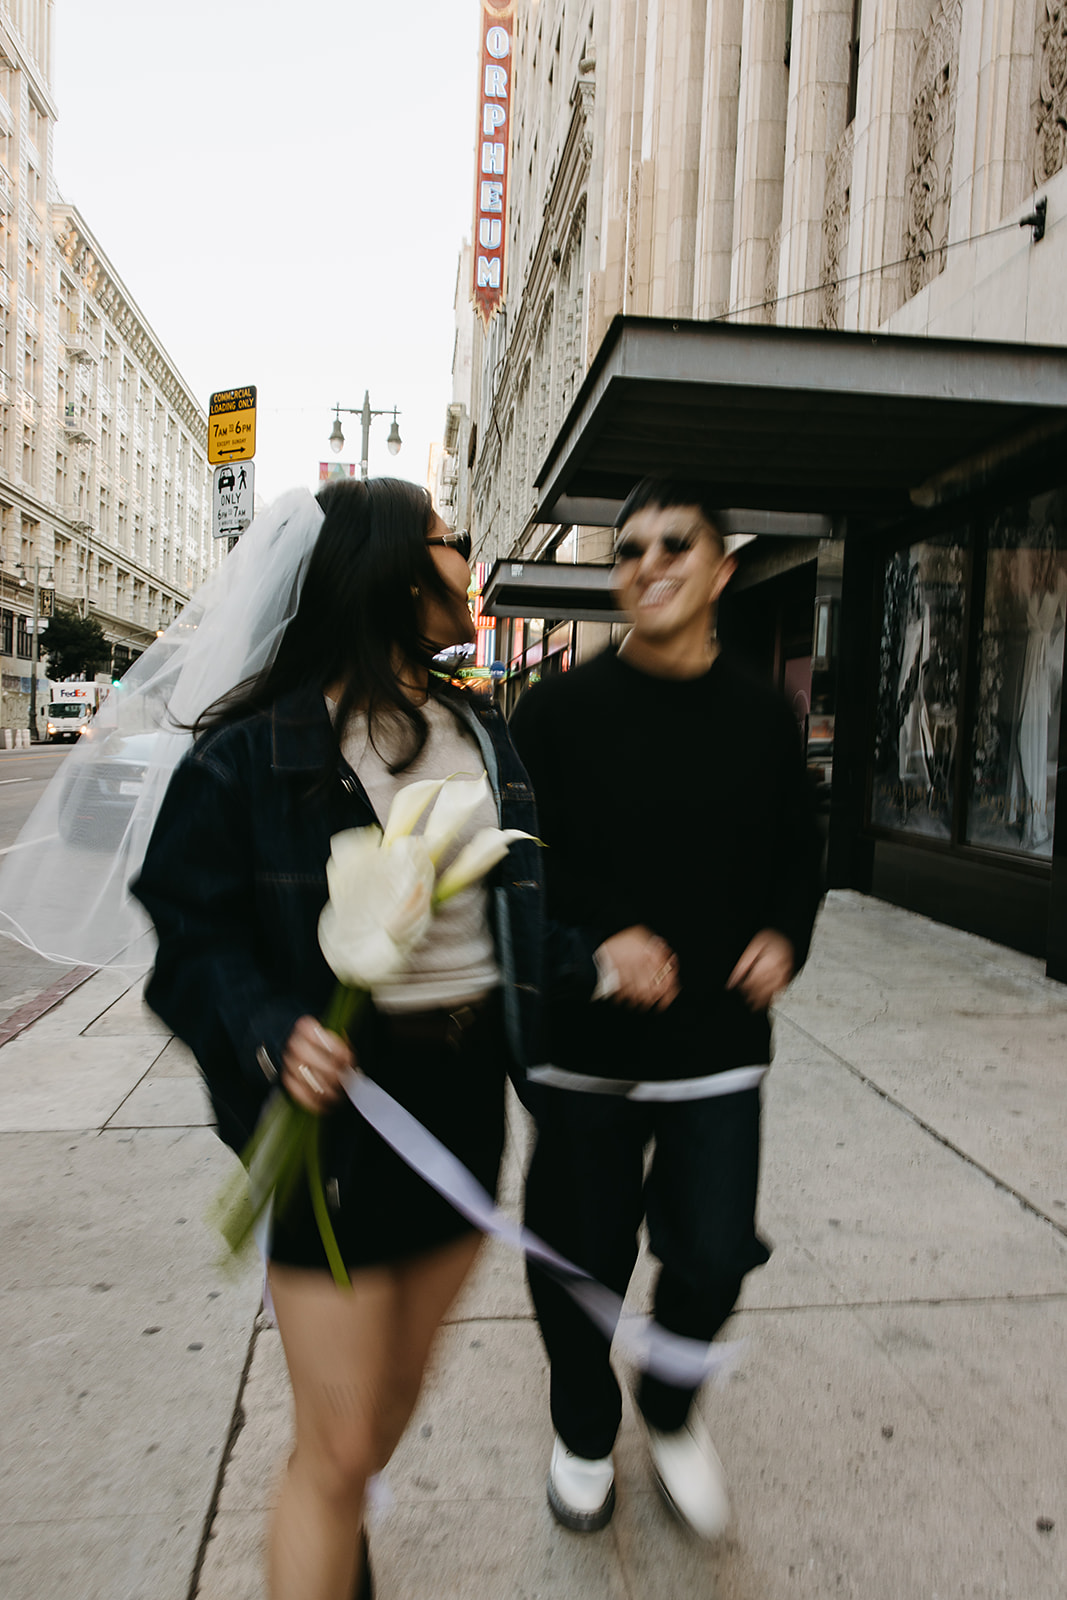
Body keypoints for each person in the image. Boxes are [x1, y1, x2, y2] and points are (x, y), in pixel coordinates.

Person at [130, 476, 577, 1600]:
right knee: (331, 1454)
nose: (464, 556)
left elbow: (518, 908)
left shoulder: (480, 732)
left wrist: (595, 964)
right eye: (445, 539)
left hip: (466, 1109)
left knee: (375, 1424)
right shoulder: (247, 756)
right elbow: (189, 940)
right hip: (335, 1127)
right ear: (390, 569)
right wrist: (268, 1027)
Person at [509, 477, 823, 1540]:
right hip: (583, 1045)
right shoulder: (552, 713)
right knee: (576, 1261)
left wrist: (785, 932)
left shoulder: (760, 717)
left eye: (673, 545)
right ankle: (585, 1426)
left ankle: (672, 1408)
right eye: (629, 548)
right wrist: (592, 950)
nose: (647, 563)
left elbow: (798, 855)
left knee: (710, 1253)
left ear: (719, 570)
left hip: (716, 1045)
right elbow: (509, 876)